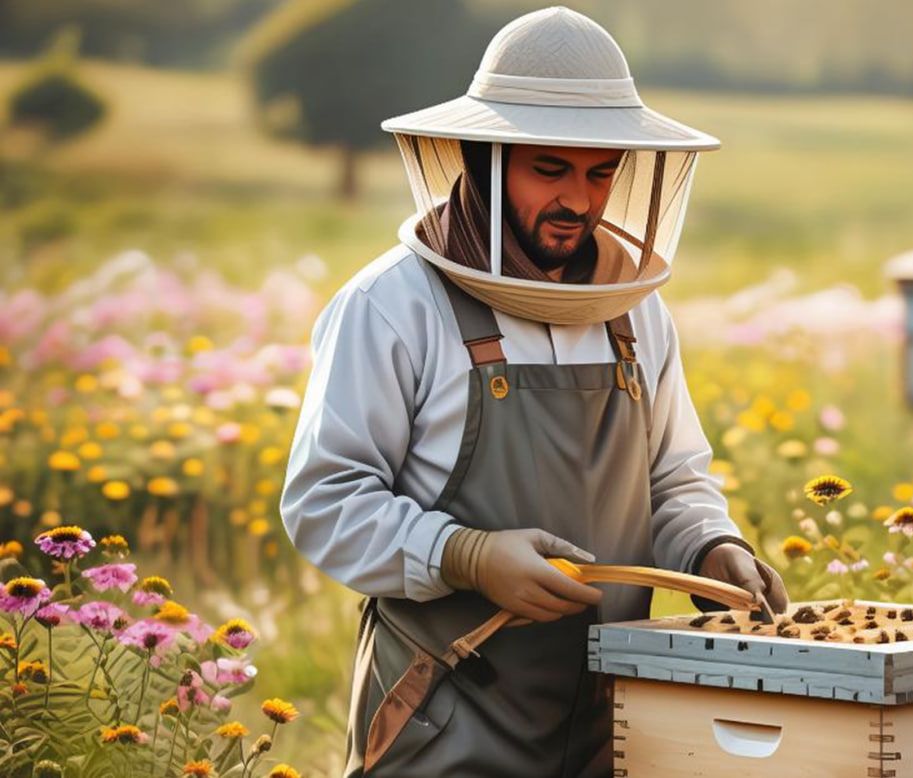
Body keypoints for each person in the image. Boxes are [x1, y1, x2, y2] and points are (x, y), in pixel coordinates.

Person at [279, 6, 789, 777]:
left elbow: (673, 479)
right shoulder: (391, 305)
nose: (580, 202)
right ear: (484, 160)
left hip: (611, 721)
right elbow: (325, 500)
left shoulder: (635, 311)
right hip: (444, 715)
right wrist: (468, 555)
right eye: (550, 169)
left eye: (599, 172)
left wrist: (711, 549)